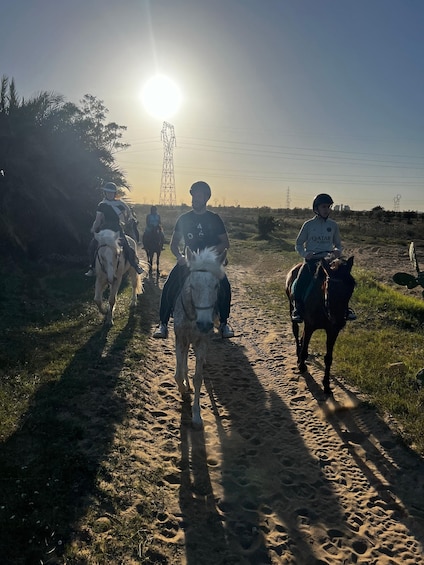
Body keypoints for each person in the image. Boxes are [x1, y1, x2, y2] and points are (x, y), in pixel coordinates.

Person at [153, 181, 234, 339]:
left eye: (199, 195)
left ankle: (224, 323)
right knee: (170, 284)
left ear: (206, 198)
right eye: (194, 194)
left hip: (209, 263)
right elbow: (174, 244)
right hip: (189, 262)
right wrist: (179, 257)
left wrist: (208, 255)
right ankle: (162, 323)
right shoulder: (184, 219)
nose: (195, 198)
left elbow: (225, 243)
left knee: (225, 285)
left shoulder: (214, 219)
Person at [291, 193, 356, 323]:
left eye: (328, 207)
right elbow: (298, 244)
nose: (327, 209)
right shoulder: (308, 225)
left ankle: (345, 309)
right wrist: (305, 254)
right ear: (316, 209)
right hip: (312, 260)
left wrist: (337, 251)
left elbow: (338, 244)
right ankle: (297, 308)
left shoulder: (333, 225)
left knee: (344, 281)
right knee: (301, 280)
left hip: (329, 260)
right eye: (324, 207)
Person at [85, 182, 143, 276]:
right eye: (108, 192)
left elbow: (124, 219)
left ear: (115, 193)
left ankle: (135, 266)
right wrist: (94, 228)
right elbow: (98, 219)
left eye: (111, 193)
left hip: (117, 229)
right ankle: (92, 268)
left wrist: (126, 217)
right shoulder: (102, 205)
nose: (110, 194)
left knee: (128, 247)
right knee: (92, 246)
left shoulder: (120, 205)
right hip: (105, 229)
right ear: (105, 193)